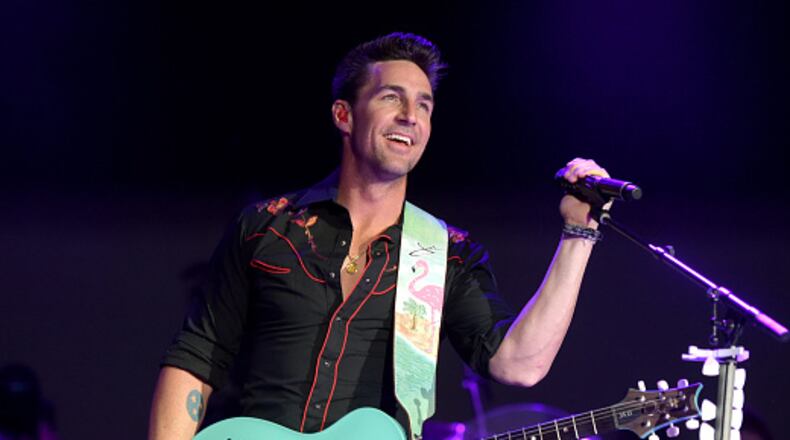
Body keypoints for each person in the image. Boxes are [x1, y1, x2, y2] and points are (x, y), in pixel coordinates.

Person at [148, 32, 611, 440]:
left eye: (424, 105)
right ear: (344, 116)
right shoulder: (267, 227)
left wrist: (578, 233)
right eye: (392, 97)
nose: (411, 115)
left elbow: (518, 364)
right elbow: (196, 358)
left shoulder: (445, 254)